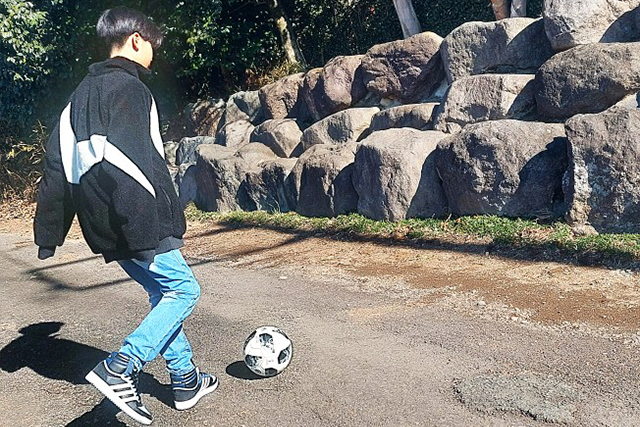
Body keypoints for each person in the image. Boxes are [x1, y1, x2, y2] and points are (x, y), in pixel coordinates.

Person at [33, 7, 217, 425]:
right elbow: (131, 166)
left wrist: (49, 233)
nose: (154, 53)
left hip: (105, 225)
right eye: (152, 44)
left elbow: (55, 167)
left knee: (161, 292)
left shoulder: (76, 99)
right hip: (139, 220)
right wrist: (152, 228)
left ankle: (185, 379)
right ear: (136, 39)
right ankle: (120, 366)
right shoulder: (130, 89)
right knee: (184, 290)